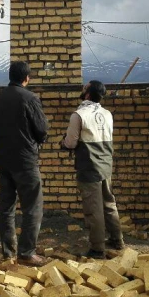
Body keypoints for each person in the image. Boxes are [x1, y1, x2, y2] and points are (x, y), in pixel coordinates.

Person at [0, 61, 48, 266]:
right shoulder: (29, 98)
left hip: (3, 160)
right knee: (33, 206)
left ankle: (8, 252)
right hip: (25, 161)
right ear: (27, 78)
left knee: (6, 207)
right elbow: (41, 130)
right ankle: (27, 252)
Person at [60, 81, 125, 258]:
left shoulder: (78, 115)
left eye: (85, 87)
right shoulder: (107, 114)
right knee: (109, 203)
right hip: (106, 165)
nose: (82, 89)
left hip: (89, 166)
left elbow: (71, 143)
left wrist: (63, 143)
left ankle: (97, 248)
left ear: (88, 94)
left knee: (93, 209)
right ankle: (117, 240)